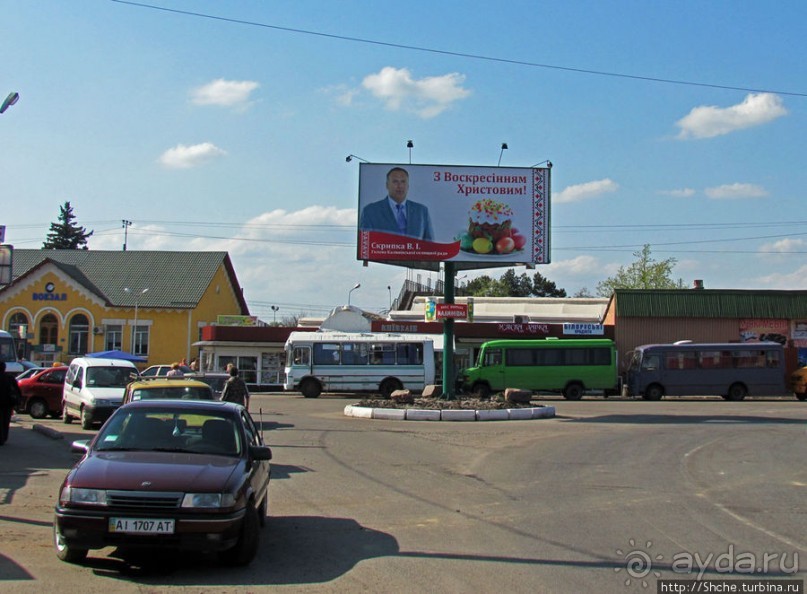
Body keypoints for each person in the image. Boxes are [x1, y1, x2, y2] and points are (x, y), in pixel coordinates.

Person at [359, 167, 434, 240]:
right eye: (395, 181)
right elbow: (365, 244)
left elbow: (430, 245)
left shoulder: (421, 211)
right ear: (387, 185)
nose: (400, 186)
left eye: (403, 182)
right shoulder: (370, 212)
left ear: (408, 186)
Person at [0, 361, 21, 445]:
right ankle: (4, 437)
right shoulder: (10, 378)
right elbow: (17, 391)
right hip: (8, 403)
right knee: (5, 421)